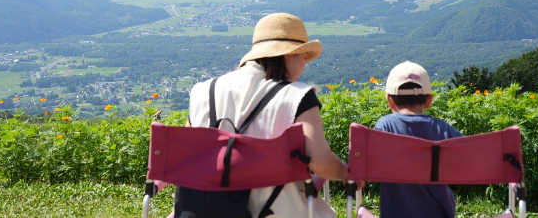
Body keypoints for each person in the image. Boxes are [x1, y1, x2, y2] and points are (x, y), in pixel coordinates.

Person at [187, 12, 348, 217]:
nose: (305, 64)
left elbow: (191, 154)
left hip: (205, 210)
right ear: (289, 55)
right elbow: (321, 162)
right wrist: (346, 173)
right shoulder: (298, 96)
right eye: (303, 56)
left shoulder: (202, 92)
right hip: (276, 211)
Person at [373, 60, 463, 218]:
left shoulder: (384, 126)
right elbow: (469, 156)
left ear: (390, 101)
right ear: (429, 100)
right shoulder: (442, 128)